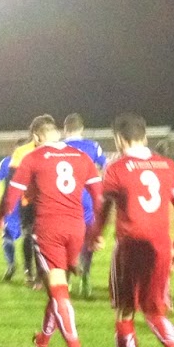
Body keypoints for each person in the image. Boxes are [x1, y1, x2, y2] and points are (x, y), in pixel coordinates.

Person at [89, 113, 174, 347]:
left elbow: (103, 209)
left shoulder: (116, 168)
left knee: (125, 313)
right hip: (159, 246)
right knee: (154, 310)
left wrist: (94, 235)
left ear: (119, 139)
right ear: (145, 136)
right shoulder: (167, 165)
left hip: (130, 246)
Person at [0, 115, 103, 347]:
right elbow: (99, 198)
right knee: (56, 289)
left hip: (48, 228)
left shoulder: (32, 157)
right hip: (76, 228)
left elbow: (12, 194)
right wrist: (95, 231)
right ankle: (43, 339)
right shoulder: (82, 157)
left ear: (36, 137)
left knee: (57, 290)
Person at [63, 114, 107, 294]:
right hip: (88, 199)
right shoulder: (92, 146)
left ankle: (65, 281)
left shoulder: (59, 146)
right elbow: (106, 165)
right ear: (82, 129)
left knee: (65, 241)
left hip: (66, 201)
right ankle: (85, 277)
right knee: (88, 241)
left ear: (65, 129)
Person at [0, 137, 37, 284]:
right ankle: (15, 266)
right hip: (17, 204)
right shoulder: (7, 162)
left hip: (23, 204)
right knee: (14, 236)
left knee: (22, 237)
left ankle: (23, 268)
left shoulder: (30, 161)